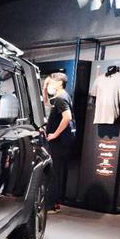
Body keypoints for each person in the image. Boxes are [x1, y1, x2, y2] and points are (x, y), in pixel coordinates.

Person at [43, 72, 75, 214]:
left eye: (51, 82)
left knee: (53, 172)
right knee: (55, 172)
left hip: (58, 142)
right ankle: (54, 203)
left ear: (59, 83)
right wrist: (44, 88)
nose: (49, 84)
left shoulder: (61, 98)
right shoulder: (61, 97)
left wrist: (55, 134)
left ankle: (51, 205)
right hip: (59, 142)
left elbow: (67, 117)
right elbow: (46, 103)